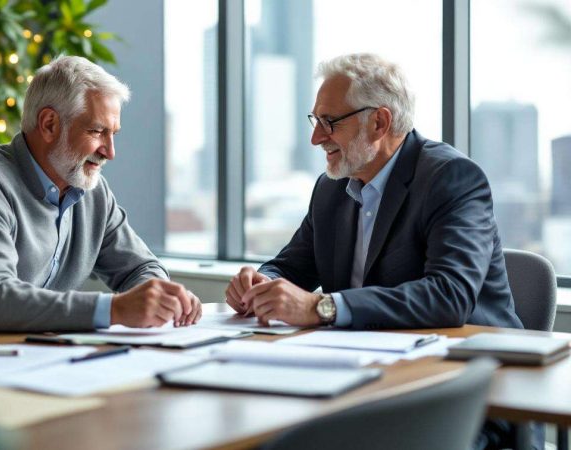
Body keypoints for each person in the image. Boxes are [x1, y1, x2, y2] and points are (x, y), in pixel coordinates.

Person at [226, 53, 537, 450]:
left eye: (329, 122)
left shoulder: (452, 179)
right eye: (315, 121)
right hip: (364, 379)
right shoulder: (332, 187)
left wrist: (324, 308)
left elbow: (450, 295)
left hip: (459, 394)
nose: (316, 138)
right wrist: (261, 283)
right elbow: (293, 265)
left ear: (379, 122)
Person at [0, 56, 201, 340]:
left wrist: (160, 298)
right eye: (97, 131)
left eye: (113, 134)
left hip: (24, 363)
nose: (110, 152)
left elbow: (140, 268)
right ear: (49, 124)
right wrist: (116, 310)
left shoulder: (93, 192)